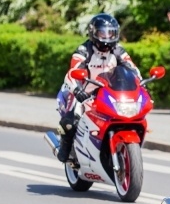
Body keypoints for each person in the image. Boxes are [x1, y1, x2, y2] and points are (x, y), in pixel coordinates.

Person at [56, 13, 140, 163]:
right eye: (103, 32)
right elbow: (71, 73)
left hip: (107, 91)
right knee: (70, 122)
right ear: (93, 32)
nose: (107, 37)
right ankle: (65, 149)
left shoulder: (118, 50)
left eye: (111, 33)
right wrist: (77, 90)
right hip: (84, 92)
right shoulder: (83, 50)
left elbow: (133, 70)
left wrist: (140, 85)